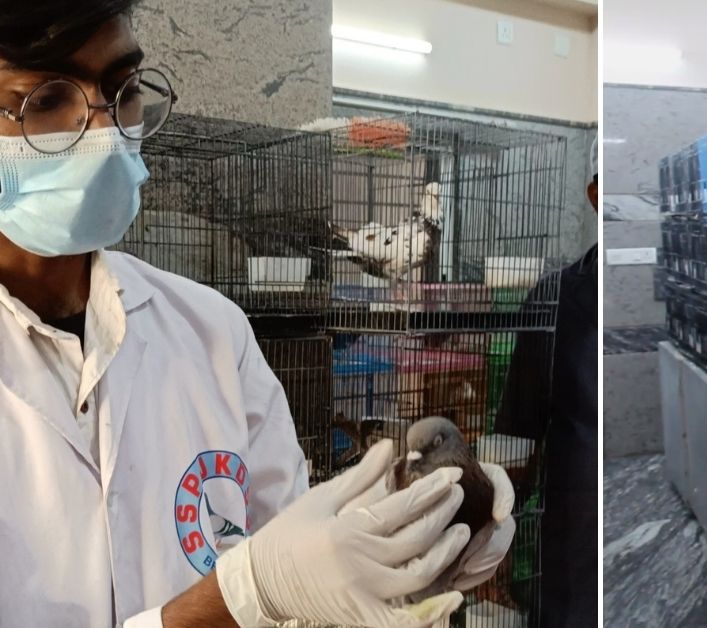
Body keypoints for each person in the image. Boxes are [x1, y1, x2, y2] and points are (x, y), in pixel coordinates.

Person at [0, 2, 514, 627]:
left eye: (123, 89)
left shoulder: (212, 330)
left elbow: (288, 551)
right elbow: (263, 582)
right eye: (44, 101)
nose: (105, 127)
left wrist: (397, 554)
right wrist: (242, 595)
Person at [496, 172, 599, 627]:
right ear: (594, 194)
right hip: (572, 535)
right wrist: (495, 526)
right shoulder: (554, 297)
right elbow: (519, 426)